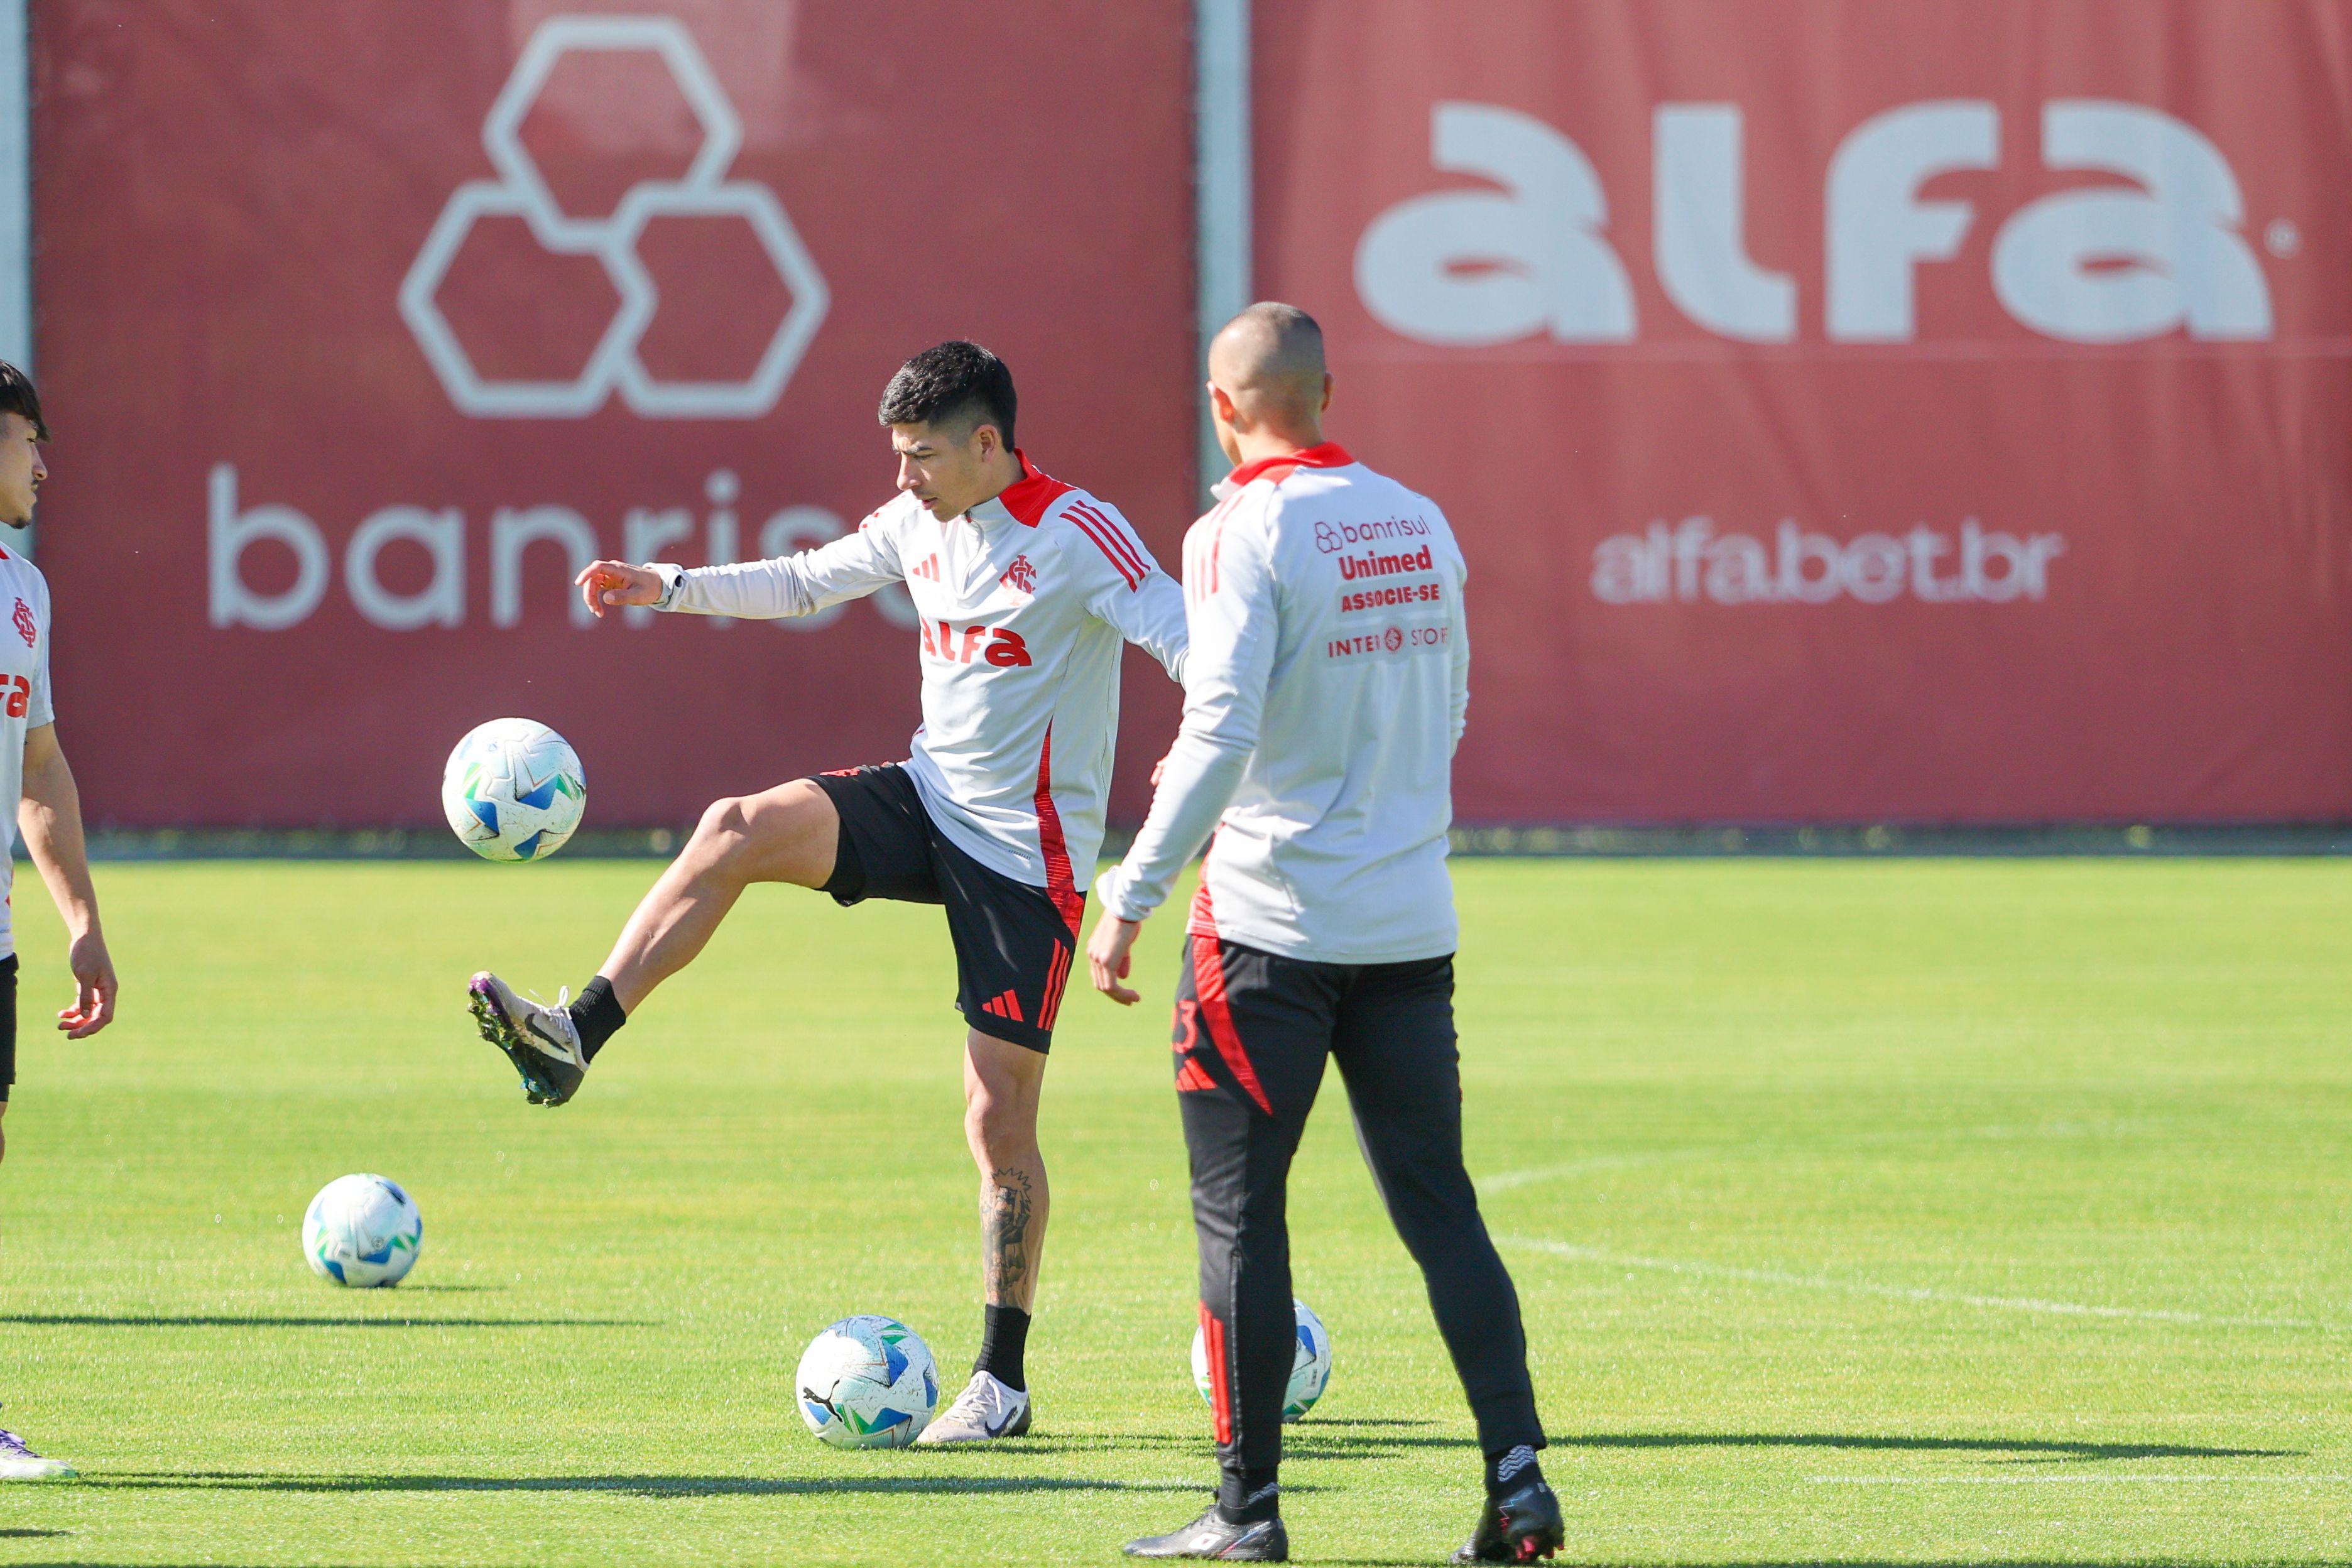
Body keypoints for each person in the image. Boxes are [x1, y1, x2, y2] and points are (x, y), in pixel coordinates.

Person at [467, 341, 1186, 1446]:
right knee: (734, 829)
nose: (904, 479)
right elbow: (807, 578)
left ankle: (1002, 1384)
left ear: (988, 444)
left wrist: (1204, 775)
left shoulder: (1080, 535)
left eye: (924, 457)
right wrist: (667, 586)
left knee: (998, 1120)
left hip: (1023, 859)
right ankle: (577, 1035)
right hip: (926, 799)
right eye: (897, 456)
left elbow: (1189, 645)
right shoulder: (917, 522)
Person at [1087, 305, 1560, 1563]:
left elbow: (1220, 724)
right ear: (1329, 392)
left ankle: (1246, 1514)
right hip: (1409, 922)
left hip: (1267, 931)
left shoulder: (1238, 527)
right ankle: (1518, 1481)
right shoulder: (1418, 517)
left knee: (1240, 1213)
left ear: (1221, 402)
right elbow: (1451, 703)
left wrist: (1131, 892)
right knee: (1439, 1207)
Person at [0, 361, 121, 1484]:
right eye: (27, 438)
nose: (42, 464)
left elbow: (36, 762)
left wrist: (79, 918)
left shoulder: (22, 594)